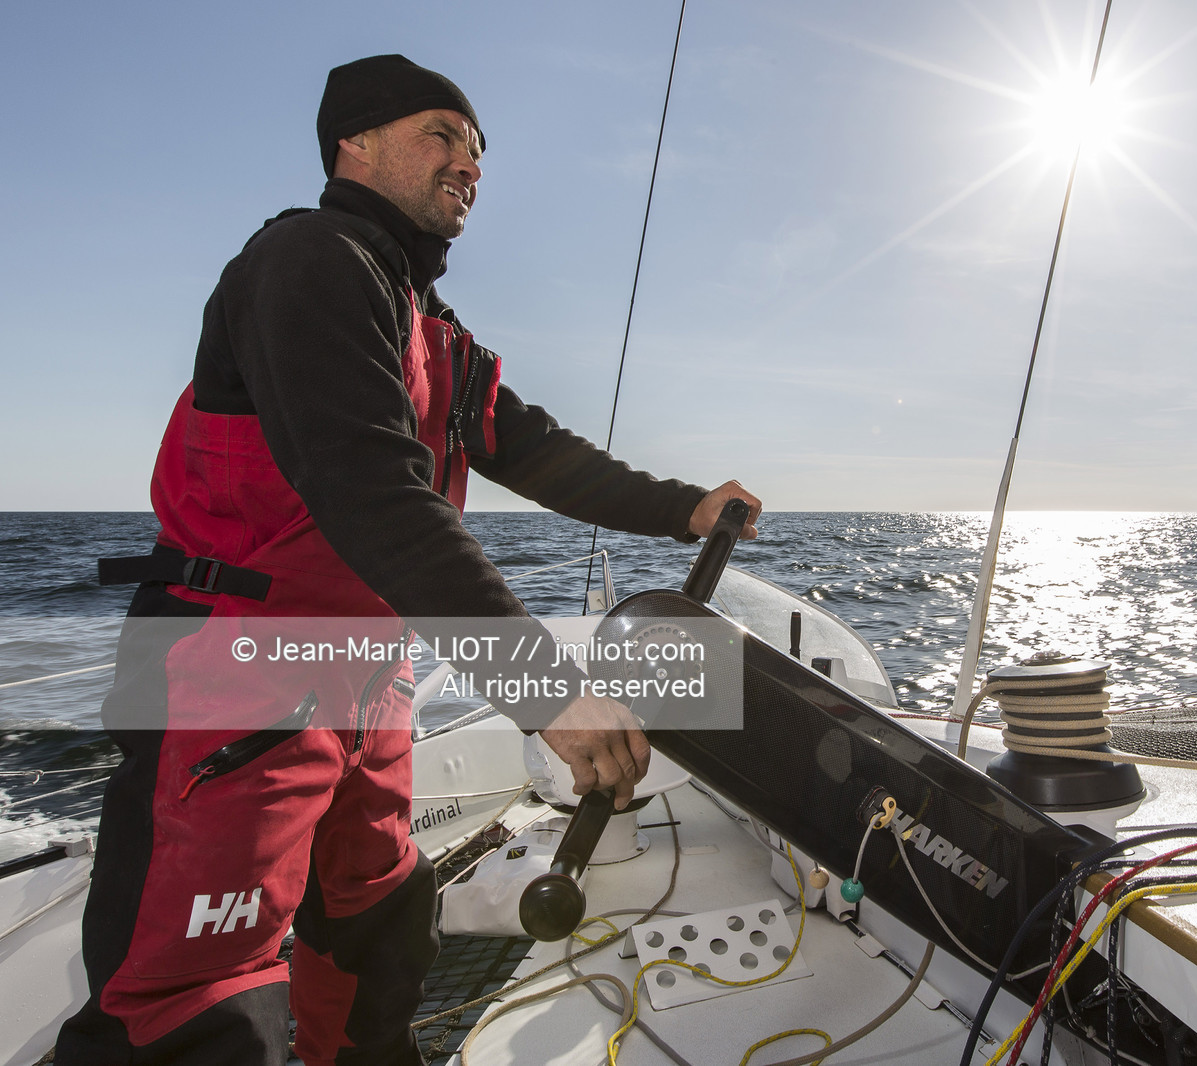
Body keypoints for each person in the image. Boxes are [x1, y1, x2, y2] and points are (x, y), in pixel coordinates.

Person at [58, 54, 760, 1066]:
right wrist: (543, 688)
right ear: (356, 140)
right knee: (194, 999)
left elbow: (538, 451)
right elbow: (370, 487)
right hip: (232, 672)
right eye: (444, 134)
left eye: (479, 151)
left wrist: (685, 509)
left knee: (382, 920)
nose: (469, 163)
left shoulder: (435, 331)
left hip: (367, 679)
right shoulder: (311, 261)